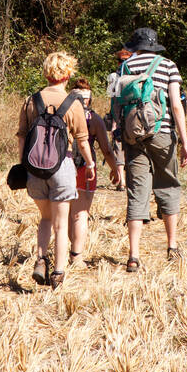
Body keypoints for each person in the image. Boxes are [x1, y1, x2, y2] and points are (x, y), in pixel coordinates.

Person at [17, 51, 96, 290]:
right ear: (68, 73)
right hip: (62, 166)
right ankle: (58, 273)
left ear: (46, 73)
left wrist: (24, 164)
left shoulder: (32, 100)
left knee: (45, 218)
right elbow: (82, 140)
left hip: (35, 168)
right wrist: (90, 164)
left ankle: (41, 259)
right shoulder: (73, 103)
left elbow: (22, 136)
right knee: (62, 224)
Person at [114, 27, 187, 272]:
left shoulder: (123, 67)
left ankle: (134, 256)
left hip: (133, 136)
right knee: (168, 184)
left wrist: (119, 138)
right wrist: (185, 141)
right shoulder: (168, 65)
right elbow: (176, 106)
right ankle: (172, 246)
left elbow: (115, 106)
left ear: (135, 45)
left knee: (137, 191)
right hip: (162, 132)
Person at [68, 78, 120, 265]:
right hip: (85, 167)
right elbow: (106, 149)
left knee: (67, 211)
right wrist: (115, 169)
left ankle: (68, 249)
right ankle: (77, 255)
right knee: (81, 213)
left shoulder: (62, 114)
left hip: (63, 167)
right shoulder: (94, 119)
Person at [105, 48, 131, 189]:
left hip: (119, 116)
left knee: (118, 147)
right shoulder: (136, 76)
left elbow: (113, 98)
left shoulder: (113, 77)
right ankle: (125, 180)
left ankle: (121, 181)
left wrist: (114, 121)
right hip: (134, 117)